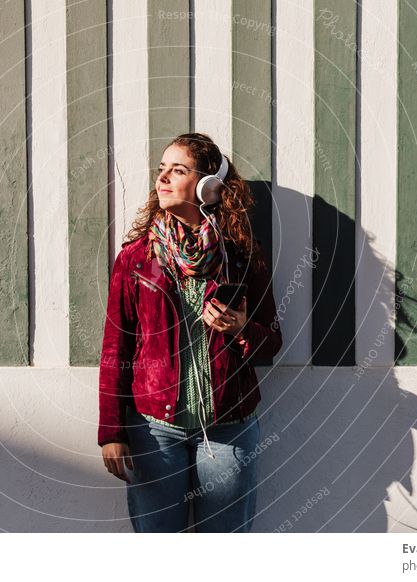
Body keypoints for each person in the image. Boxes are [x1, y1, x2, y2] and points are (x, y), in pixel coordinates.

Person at [98, 132, 282, 532]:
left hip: (228, 428)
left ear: (206, 187)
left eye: (177, 170)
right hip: (154, 431)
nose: (162, 178)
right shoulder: (136, 259)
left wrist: (241, 328)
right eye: (161, 170)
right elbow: (116, 346)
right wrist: (111, 431)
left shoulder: (241, 254)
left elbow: (272, 340)